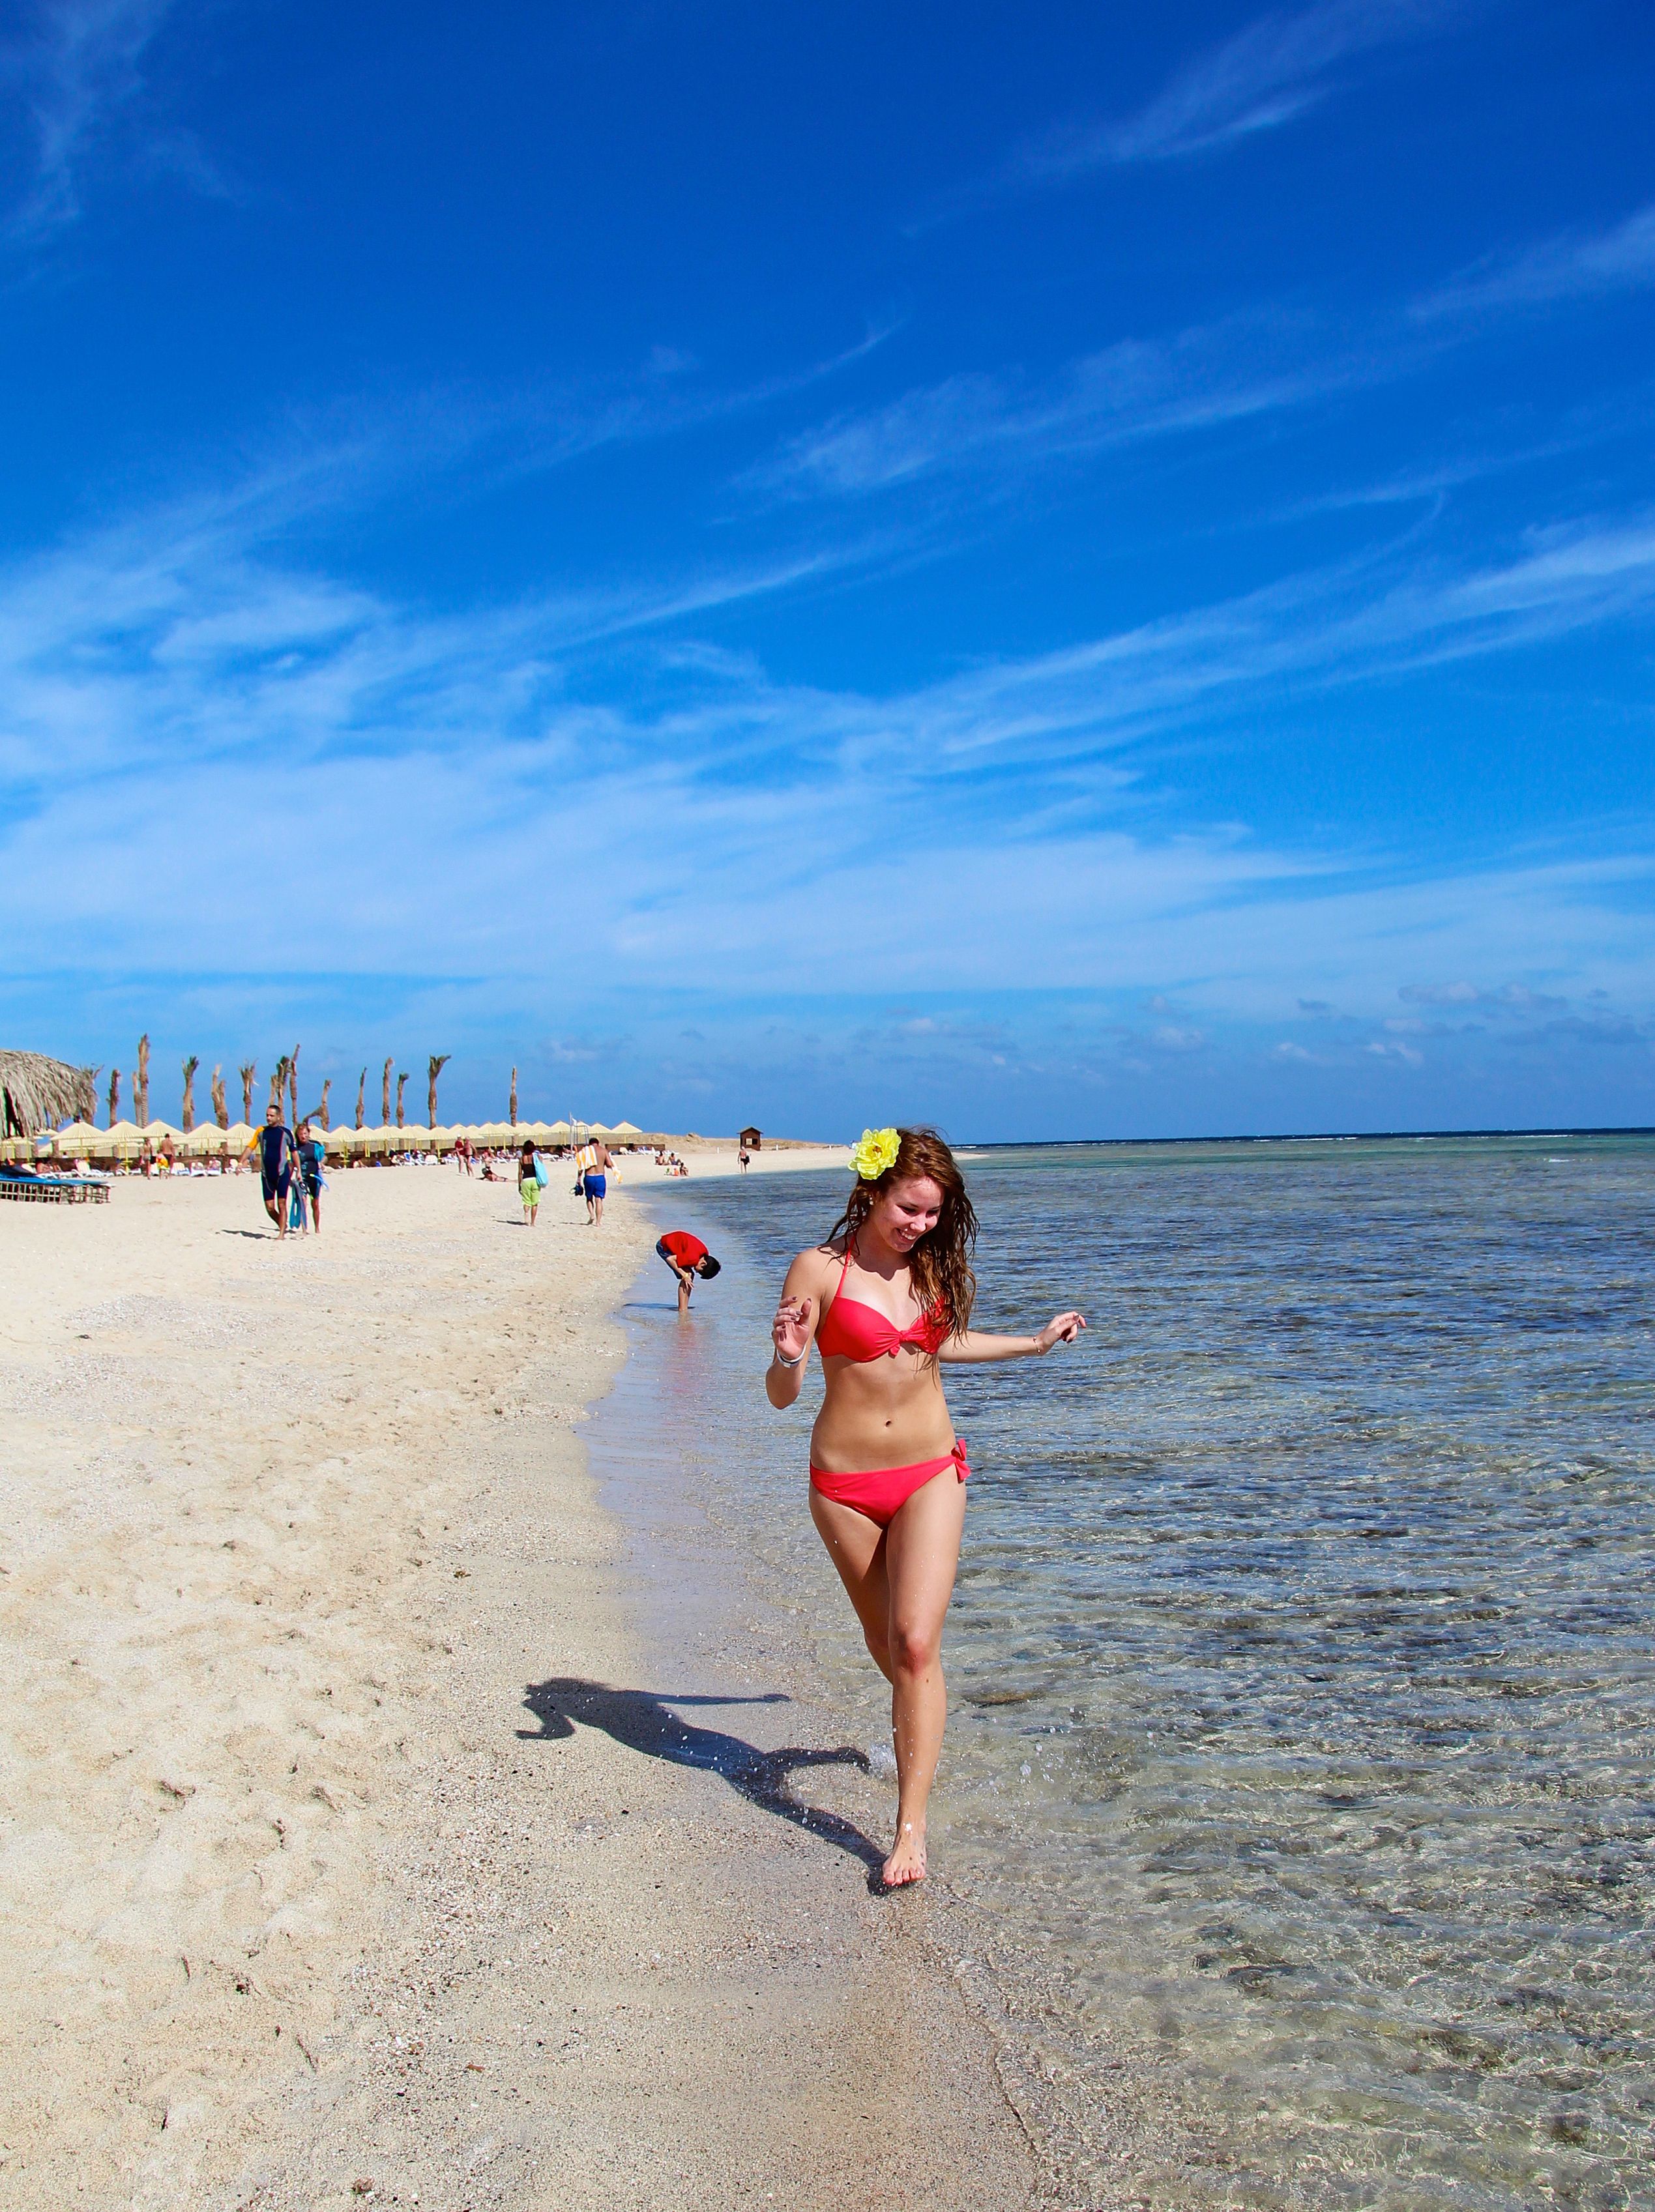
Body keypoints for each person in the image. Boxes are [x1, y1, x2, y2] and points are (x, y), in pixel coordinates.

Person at [767, 1126, 1085, 1891]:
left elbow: (941, 1344)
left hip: (929, 1472)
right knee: (891, 1650)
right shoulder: (818, 1268)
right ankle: (919, 1724)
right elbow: (782, 1395)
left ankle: (909, 1827)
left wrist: (1034, 1343)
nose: (919, 1224)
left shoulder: (933, 1267)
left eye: (933, 1212)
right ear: (873, 1190)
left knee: (914, 1643)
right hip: (843, 1489)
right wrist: (787, 1353)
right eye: (908, 1208)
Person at [252, 1102, 296, 1239]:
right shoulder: (262, 1132)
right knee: (270, 1207)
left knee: (282, 1204)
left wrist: (298, 1170)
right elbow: (250, 1147)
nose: (268, 1118)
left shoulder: (285, 1133)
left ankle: (281, 1234)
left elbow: (294, 1152)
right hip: (267, 1175)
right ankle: (282, 1224)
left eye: (271, 1116)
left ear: (278, 1117)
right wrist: (241, 1162)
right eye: (267, 1115)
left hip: (282, 1173)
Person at [656, 1228, 722, 1314]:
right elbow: (670, 1259)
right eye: (700, 1272)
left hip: (673, 1242)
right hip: (664, 1246)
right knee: (687, 1275)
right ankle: (682, 1309)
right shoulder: (693, 1258)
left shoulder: (703, 1253)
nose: (697, 1272)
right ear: (704, 1263)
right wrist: (684, 1274)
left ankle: (684, 1307)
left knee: (690, 1276)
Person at [576, 1134, 613, 1225]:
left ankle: (592, 1215)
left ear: (590, 1144)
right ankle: (598, 1222)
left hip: (589, 1177)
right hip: (600, 1177)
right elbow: (609, 1164)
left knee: (589, 1198)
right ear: (598, 1143)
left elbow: (581, 1167)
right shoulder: (603, 1151)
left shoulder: (585, 1152)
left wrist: (579, 1178)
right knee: (599, 1199)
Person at [297, 1118, 325, 1234]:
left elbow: (324, 1157)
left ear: (308, 1133)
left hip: (315, 1178)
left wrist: (321, 1163)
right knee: (303, 1203)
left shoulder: (316, 1146)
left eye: (305, 1133)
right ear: (298, 1135)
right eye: (301, 1134)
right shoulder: (295, 1148)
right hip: (302, 1178)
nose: (303, 1136)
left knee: (315, 1204)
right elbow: (292, 1163)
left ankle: (317, 1228)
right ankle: (304, 1229)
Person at [519, 1139, 542, 1226]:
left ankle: (526, 1214)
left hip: (525, 1181)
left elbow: (520, 1173)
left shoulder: (521, 1159)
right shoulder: (537, 1158)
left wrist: (519, 1185)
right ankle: (533, 1222)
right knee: (534, 1203)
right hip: (535, 1180)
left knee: (526, 1201)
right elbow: (541, 1167)